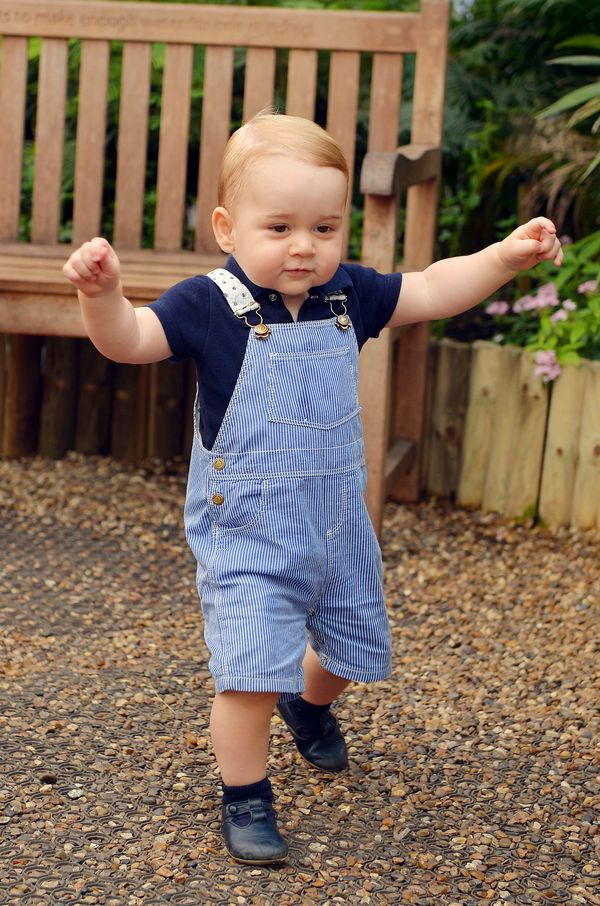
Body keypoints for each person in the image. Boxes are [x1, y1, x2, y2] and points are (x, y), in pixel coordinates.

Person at [63, 112, 562, 866]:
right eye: (281, 227)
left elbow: (429, 288)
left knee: (350, 647)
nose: (306, 247)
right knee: (249, 674)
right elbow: (129, 340)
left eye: (326, 228)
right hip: (249, 532)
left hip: (334, 520)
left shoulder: (347, 294)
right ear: (228, 229)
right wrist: (102, 296)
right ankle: (246, 796)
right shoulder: (208, 304)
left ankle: (310, 702)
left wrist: (500, 256)